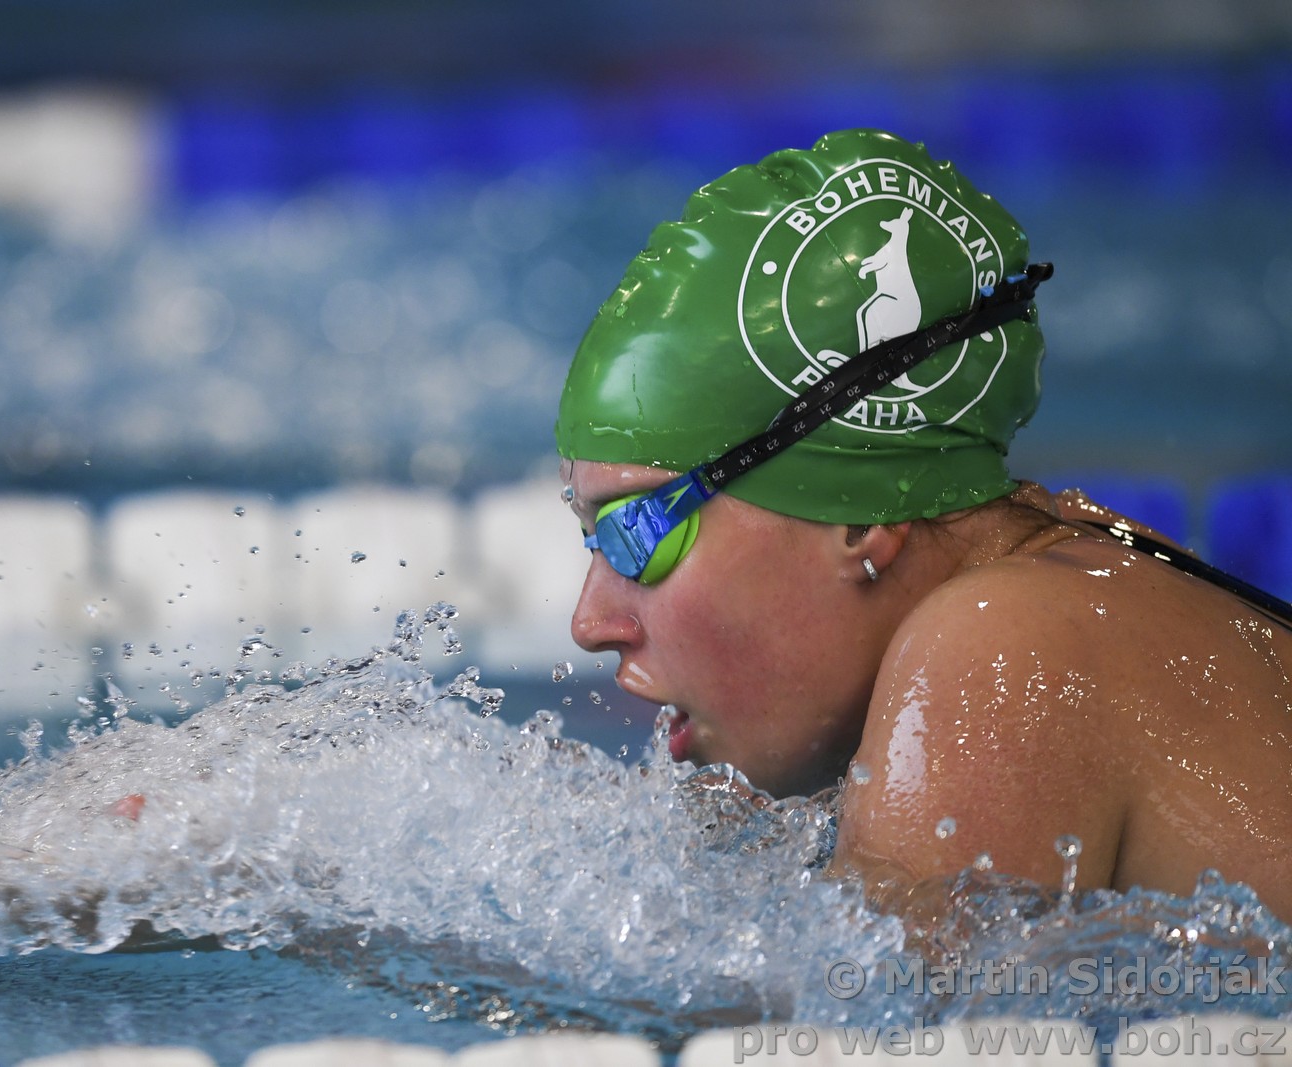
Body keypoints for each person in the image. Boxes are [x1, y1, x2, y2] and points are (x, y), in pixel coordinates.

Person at [554, 128, 1292, 921]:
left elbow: (860, 1000)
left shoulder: (1001, 648)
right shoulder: (1095, 567)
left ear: (860, 516)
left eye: (639, 530)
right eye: (592, 539)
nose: (589, 623)